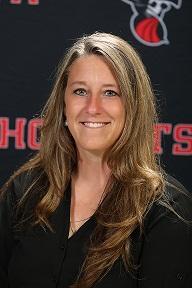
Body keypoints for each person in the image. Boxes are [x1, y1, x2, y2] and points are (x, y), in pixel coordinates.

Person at [0, 32, 192, 288]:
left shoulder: (166, 213)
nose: (92, 107)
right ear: (63, 104)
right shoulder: (25, 190)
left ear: (133, 107)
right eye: (80, 91)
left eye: (110, 92)